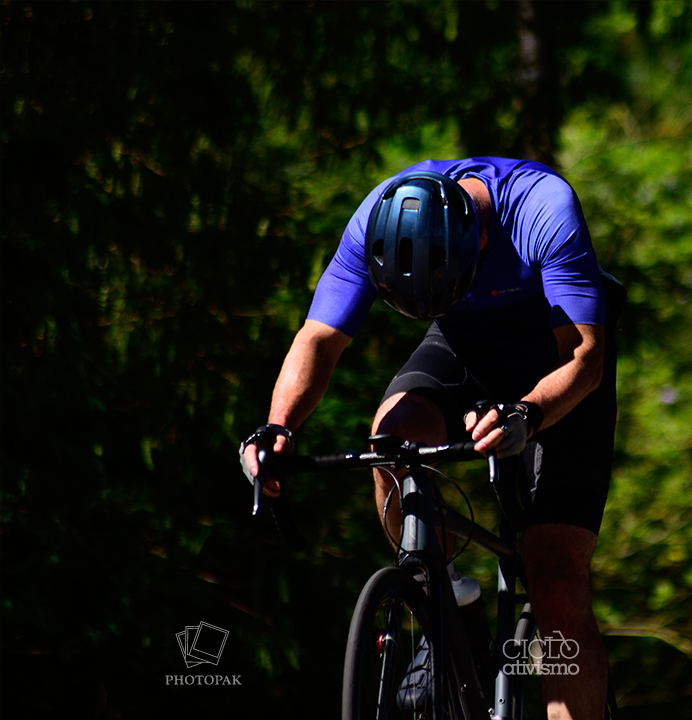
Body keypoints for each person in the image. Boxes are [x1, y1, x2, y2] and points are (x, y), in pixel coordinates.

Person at [241, 157, 621, 720]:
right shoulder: (378, 219)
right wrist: (278, 428)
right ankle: (445, 601)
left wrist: (528, 413)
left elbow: (585, 359)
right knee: (391, 440)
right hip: (464, 342)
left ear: (481, 239)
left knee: (555, 575)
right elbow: (318, 338)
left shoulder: (542, 209)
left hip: (558, 356)